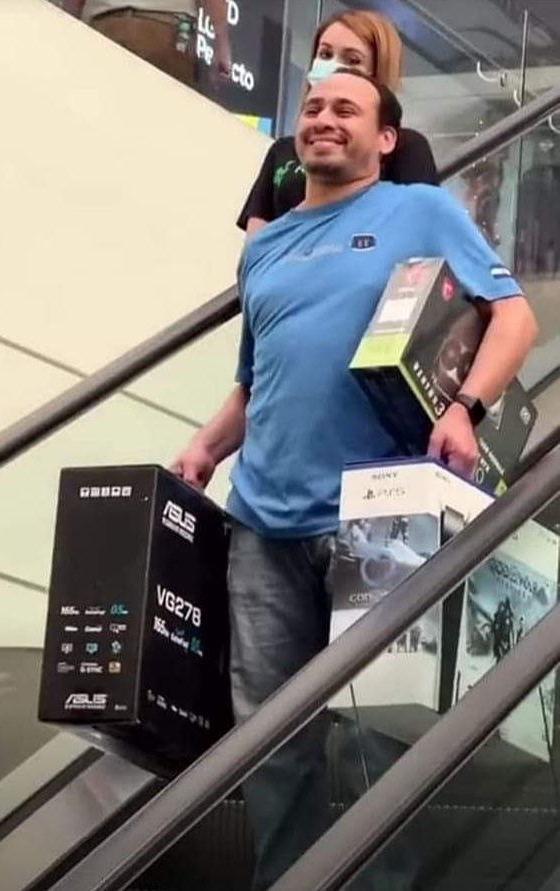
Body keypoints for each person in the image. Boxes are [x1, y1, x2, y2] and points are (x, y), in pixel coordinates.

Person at [172, 70, 538, 890]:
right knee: (270, 742)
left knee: (380, 744)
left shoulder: (419, 211)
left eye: (347, 109)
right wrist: (204, 449)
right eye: (312, 108)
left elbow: (515, 317)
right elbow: (254, 382)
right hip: (262, 524)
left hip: (384, 515)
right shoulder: (264, 247)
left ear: (385, 138)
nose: (324, 119)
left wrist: (467, 410)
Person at [238, 10, 438, 237]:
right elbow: (256, 245)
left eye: (353, 60)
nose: (335, 67)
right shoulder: (282, 151)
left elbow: (419, 233)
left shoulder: (406, 148)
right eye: (325, 54)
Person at [63, 0, 231, 87]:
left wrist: (66, 33)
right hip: (163, 35)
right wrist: (221, 43)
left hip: (102, 30)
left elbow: (72, 4)